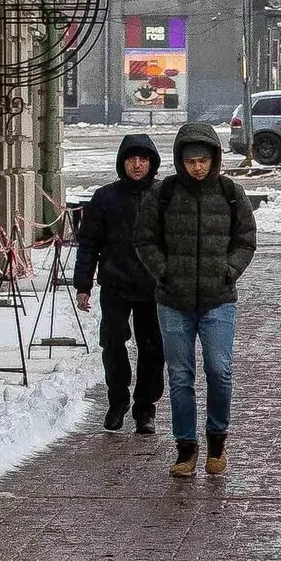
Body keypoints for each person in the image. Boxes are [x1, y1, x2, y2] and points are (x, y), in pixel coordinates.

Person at [134, 120, 258, 479]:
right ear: (180, 161)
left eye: (203, 160)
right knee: (180, 375)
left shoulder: (230, 192)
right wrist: (164, 271)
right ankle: (186, 447)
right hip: (173, 300)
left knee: (219, 370)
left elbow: (246, 238)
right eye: (191, 161)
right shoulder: (164, 193)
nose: (198, 168)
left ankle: (217, 440)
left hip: (219, 298)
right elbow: (145, 239)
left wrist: (229, 270)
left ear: (214, 159)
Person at [71, 133, 164, 433]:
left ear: (152, 163)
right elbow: (89, 244)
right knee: (112, 344)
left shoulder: (163, 195)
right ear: (122, 162)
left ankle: (145, 408)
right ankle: (117, 400)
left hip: (153, 287)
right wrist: (83, 284)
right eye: (131, 159)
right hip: (116, 284)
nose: (137, 165)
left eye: (143, 159)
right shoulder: (105, 197)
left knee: (153, 349)